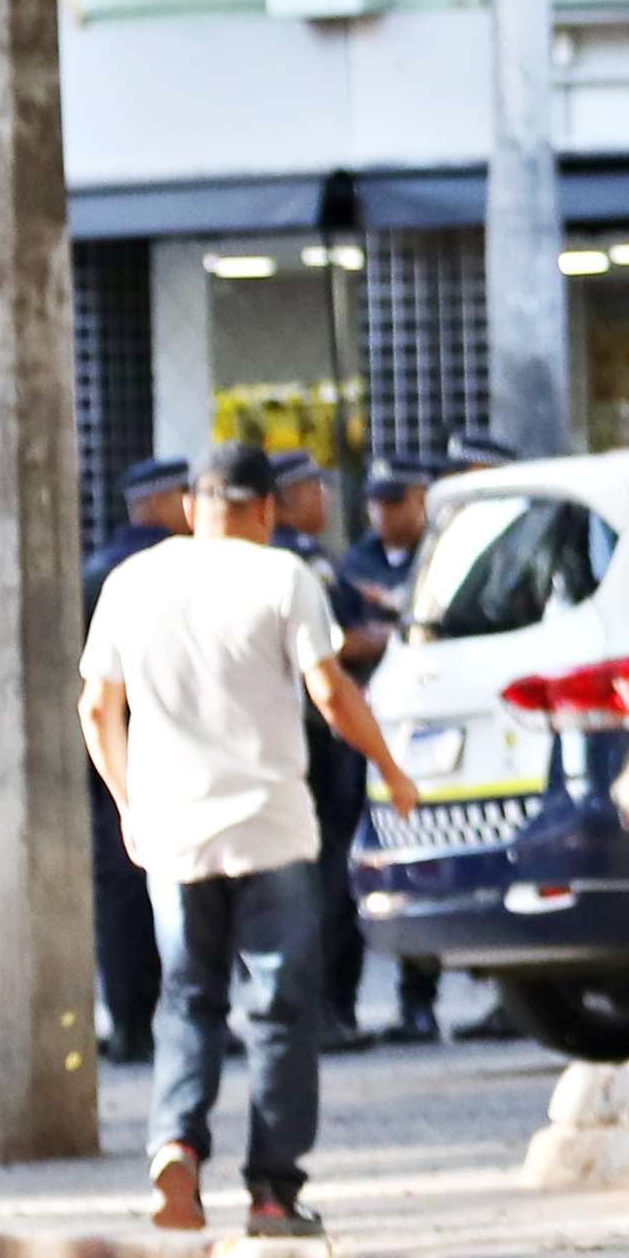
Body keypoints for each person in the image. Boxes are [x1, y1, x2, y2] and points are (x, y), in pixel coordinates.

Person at [86, 438, 420, 1238]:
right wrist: (391, 770)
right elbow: (331, 694)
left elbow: (97, 709)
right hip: (270, 830)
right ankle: (272, 1191)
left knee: (188, 1000)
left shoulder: (133, 581)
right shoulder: (285, 576)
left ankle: (174, 1143)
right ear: (267, 510)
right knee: (279, 1009)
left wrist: (133, 805)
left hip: (175, 835)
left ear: (193, 507)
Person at [269, 449, 386, 1050]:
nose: (324, 500)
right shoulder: (299, 558)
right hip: (320, 736)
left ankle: (324, 1007)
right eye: (315, 488)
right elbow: (331, 648)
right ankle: (324, 1008)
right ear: (287, 497)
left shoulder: (295, 555)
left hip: (304, 737)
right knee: (325, 875)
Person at [85, 453, 189, 1063]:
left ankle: (129, 1022)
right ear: (160, 501)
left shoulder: (97, 570)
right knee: (179, 888)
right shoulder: (167, 570)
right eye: (183, 495)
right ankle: (182, 1015)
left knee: (121, 891)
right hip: (170, 748)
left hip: (107, 753)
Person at [336, 464, 444, 1045]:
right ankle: (344, 1004)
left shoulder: (439, 550)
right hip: (365, 727)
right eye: (374, 502)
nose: (382, 513)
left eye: (393, 501)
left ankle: (418, 1001)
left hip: (423, 729)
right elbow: (345, 635)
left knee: (415, 858)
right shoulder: (357, 561)